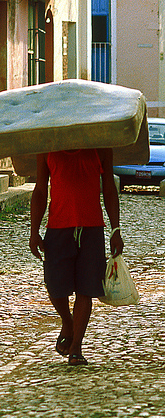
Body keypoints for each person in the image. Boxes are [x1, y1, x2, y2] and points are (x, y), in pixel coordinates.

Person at [29, 148, 124, 366]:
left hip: (92, 228)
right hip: (58, 227)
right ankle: (68, 322)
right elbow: (41, 190)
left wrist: (115, 229)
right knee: (54, 285)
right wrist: (34, 231)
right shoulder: (47, 148)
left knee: (86, 289)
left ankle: (76, 347)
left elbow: (109, 188)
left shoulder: (101, 147)